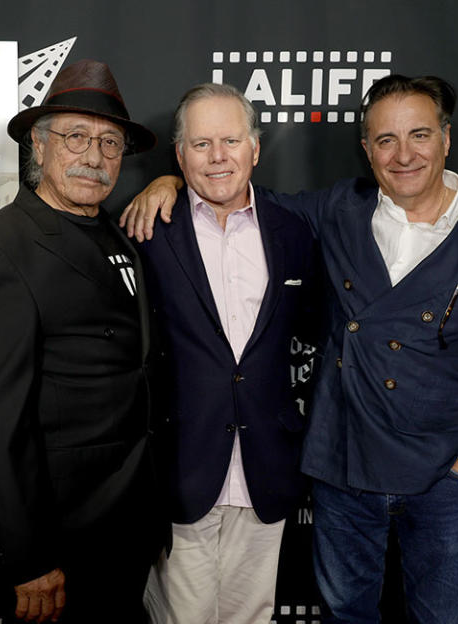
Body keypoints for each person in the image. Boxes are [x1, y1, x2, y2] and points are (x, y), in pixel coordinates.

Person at [121, 74, 458, 624]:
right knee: (344, 616)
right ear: (366, 150)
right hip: (344, 471)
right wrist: (168, 182)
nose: (403, 155)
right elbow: (231, 190)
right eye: (384, 140)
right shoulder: (337, 211)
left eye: (418, 135)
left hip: (446, 477)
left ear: (446, 138)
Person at [0, 59, 166, 624]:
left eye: (110, 144)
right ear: (38, 150)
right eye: (76, 138)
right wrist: (28, 556)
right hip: (63, 534)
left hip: (130, 520)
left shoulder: (118, 233)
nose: (94, 157)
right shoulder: (1, 249)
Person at [136, 83, 320, 624]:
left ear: (255, 149)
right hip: (181, 467)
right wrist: (162, 187)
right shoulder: (146, 228)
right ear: (179, 154)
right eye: (201, 144)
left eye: (231, 141)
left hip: (266, 466)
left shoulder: (293, 230)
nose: (218, 157)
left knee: (252, 615)